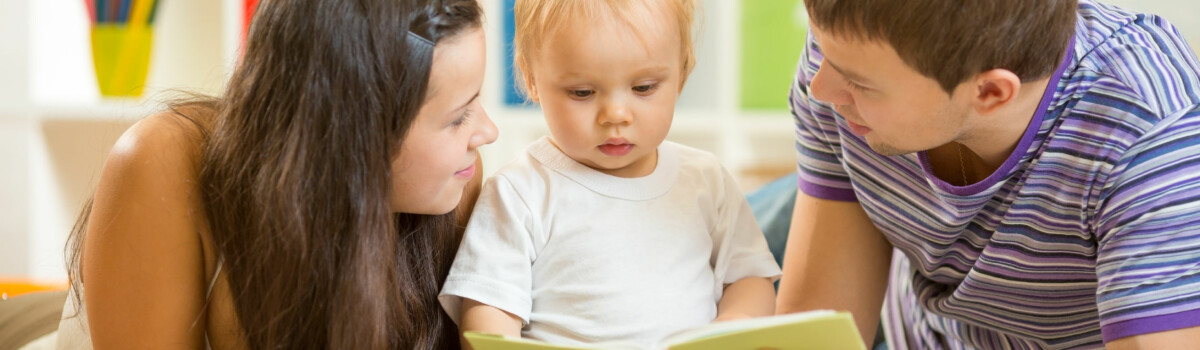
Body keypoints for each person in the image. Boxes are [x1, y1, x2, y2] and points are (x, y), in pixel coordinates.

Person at [56, 0, 497, 348]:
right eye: (458, 116)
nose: (487, 132)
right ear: (352, 130)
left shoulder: (455, 184)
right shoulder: (162, 165)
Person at [775, 0, 1200, 348]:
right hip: (918, 316)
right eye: (822, 49)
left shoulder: (1150, 138)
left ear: (990, 92)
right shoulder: (849, 46)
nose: (821, 89)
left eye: (858, 83)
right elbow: (819, 325)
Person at [437, 0, 782, 347]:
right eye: (583, 92)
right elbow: (489, 317)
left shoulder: (707, 181)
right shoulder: (520, 191)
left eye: (644, 87)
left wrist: (733, 324)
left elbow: (750, 278)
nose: (616, 114)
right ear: (532, 80)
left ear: (683, 71)